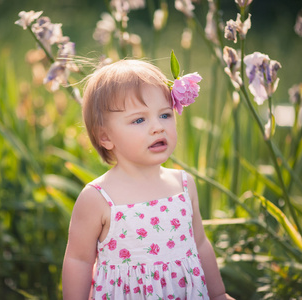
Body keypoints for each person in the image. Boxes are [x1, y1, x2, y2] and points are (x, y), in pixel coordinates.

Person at [62, 59, 233, 300]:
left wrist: (218, 294)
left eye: (165, 115)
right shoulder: (98, 197)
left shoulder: (183, 185)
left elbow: (200, 244)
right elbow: (78, 260)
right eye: (139, 120)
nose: (157, 128)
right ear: (105, 137)